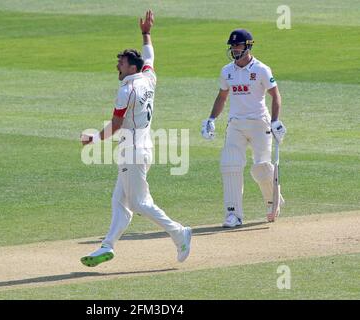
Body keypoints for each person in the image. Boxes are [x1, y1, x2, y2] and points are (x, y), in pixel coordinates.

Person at [80, 10, 191, 267]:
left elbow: (117, 124)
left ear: (131, 67)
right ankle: (107, 246)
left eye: (120, 63)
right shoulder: (148, 78)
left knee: (140, 203)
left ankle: (179, 233)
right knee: (120, 201)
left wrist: (93, 139)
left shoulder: (127, 90)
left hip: (132, 150)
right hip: (141, 147)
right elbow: (150, 56)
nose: (117, 66)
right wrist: (146, 33)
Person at [201, 29, 286, 227]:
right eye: (232, 46)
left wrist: (275, 121)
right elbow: (222, 97)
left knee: (261, 168)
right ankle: (233, 215)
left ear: (248, 46)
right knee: (230, 165)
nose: (234, 49)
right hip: (236, 125)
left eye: (237, 45)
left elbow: (276, 95)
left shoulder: (262, 70)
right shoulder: (227, 71)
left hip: (259, 123)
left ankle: (273, 201)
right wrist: (211, 118)